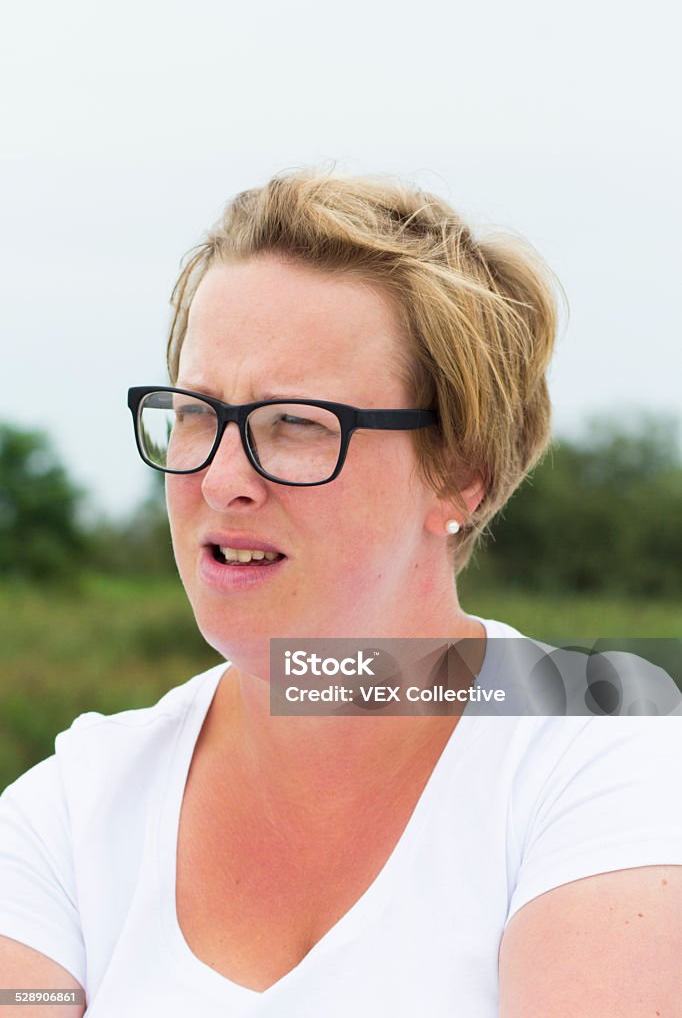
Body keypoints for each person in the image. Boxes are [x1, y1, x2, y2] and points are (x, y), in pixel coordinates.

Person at [1, 170, 681, 1017]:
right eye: (198, 412)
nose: (222, 480)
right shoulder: (71, 809)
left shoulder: (609, 747)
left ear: (461, 474)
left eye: (297, 422)